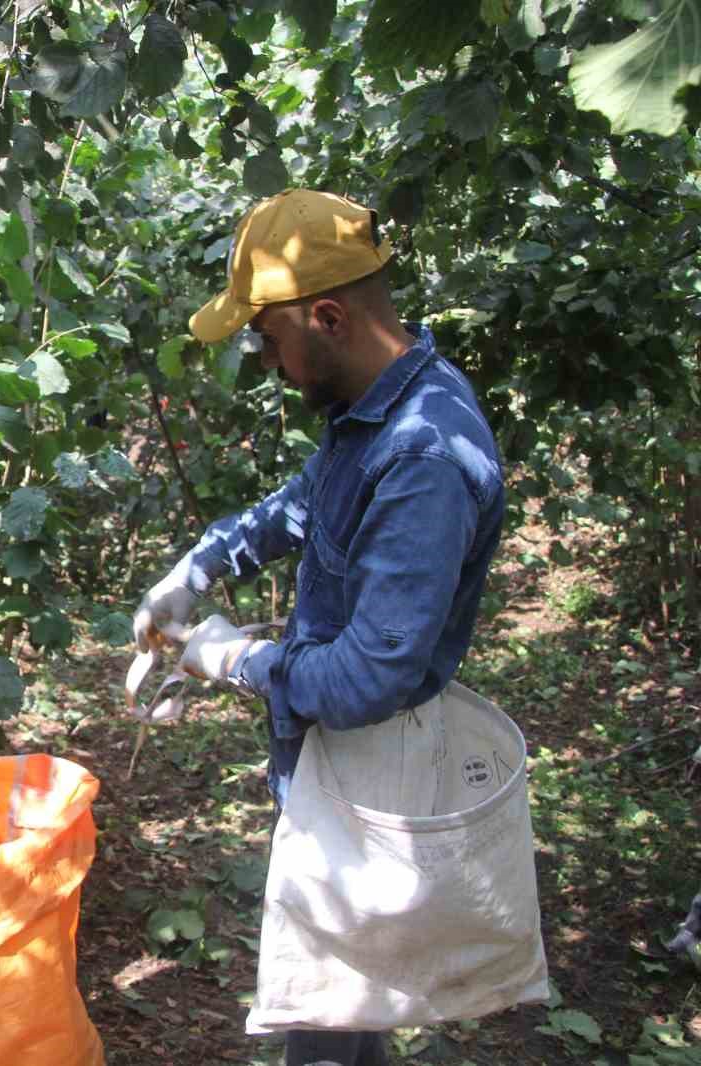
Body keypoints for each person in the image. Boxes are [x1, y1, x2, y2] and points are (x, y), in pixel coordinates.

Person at [133, 189, 505, 1066]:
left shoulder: (423, 457)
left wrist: (235, 659)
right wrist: (198, 568)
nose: (264, 360)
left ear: (327, 316)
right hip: (330, 767)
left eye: (265, 337)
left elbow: (371, 678)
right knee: (339, 1016)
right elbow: (303, 506)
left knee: (333, 1024)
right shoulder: (377, 408)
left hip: (371, 778)